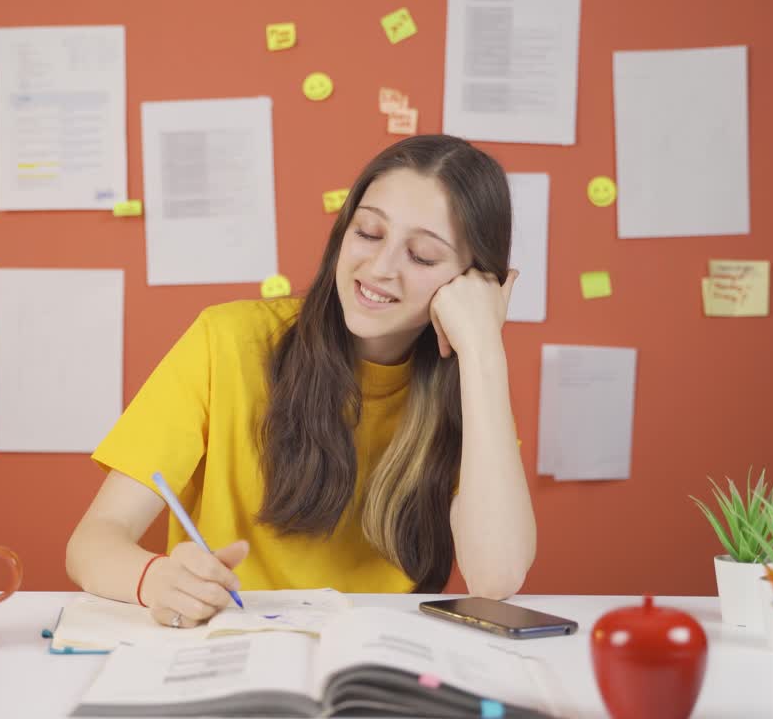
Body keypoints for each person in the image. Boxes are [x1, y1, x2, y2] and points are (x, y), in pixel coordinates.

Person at [66, 134, 536, 628]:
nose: (379, 268)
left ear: (472, 281)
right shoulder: (226, 340)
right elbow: (92, 543)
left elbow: (496, 577)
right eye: (368, 233)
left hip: (377, 653)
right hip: (231, 643)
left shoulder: (471, 393)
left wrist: (483, 348)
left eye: (421, 256)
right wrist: (155, 579)